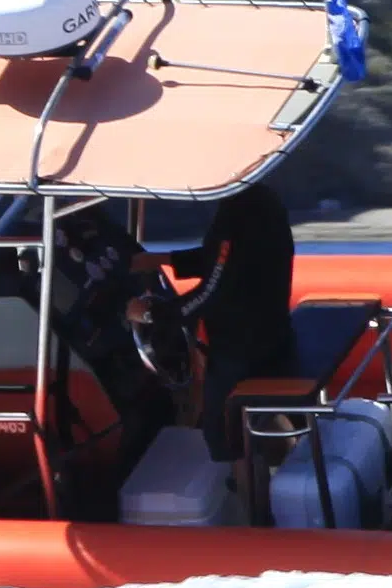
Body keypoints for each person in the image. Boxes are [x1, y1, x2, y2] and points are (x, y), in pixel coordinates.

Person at [125, 182, 297, 462]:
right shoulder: (263, 199)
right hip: (273, 334)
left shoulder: (236, 212)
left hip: (240, 348)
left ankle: (244, 487)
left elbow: (213, 290)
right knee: (266, 419)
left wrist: (152, 315)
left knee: (222, 434)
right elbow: (229, 261)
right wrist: (165, 259)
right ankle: (270, 478)